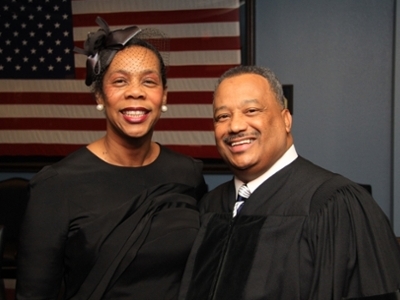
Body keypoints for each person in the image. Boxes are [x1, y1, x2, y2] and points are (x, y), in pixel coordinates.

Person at [16, 16, 207, 300]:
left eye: (149, 81)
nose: (135, 92)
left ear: (164, 95)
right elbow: (35, 295)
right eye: (120, 81)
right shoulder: (56, 185)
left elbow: (204, 272)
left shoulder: (187, 172)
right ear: (100, 96)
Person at [179, 65, 400, 300]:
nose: (235, 126)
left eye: (251, 110)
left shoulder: (336, 205)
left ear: (286, 120)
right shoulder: (209, 206)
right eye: (222, 116)